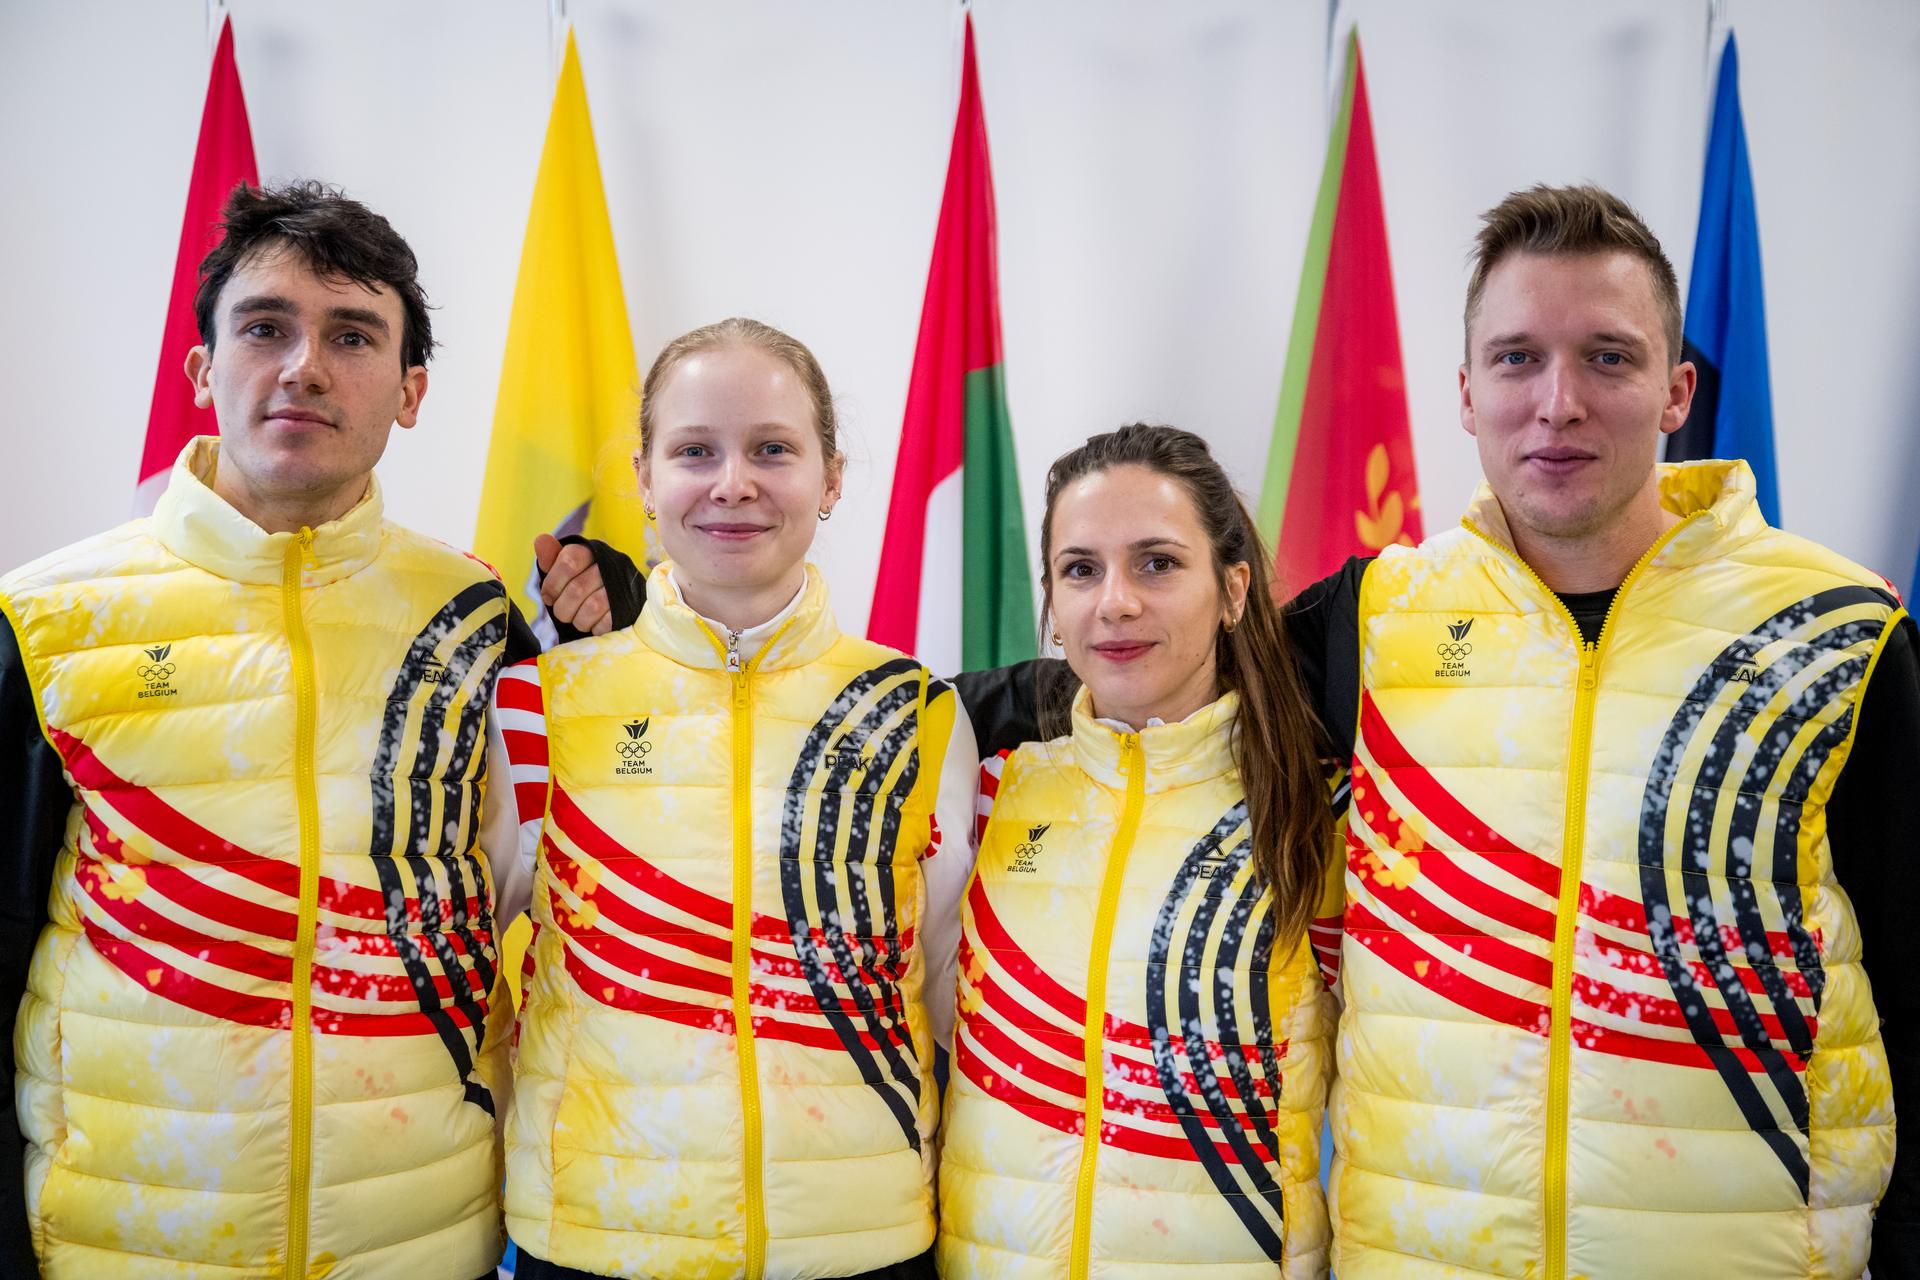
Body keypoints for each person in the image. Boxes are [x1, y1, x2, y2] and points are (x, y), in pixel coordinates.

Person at [546, 185, 1917, 1278]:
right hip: (1427, 1250)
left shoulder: (1833, 632)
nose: (1556, 402)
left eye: (1606, 359)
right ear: (1464, 391)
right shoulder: (1380, 617)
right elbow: (1129, 684)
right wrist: (643, 627)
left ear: (1679, 389)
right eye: (1517, 359)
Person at [0, 181, 537, 1279]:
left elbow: (536, 892)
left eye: (352, 335)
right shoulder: (49, 618)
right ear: (204, 370)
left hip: (421, 1241)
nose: (303, 365)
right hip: (122, 1241)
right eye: (265, 327)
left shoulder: (480, 622)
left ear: (411, 389)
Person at [499, 318, 979, 1280]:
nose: (733, 484)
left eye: (772, 449)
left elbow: (945, 988)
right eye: (693, 452)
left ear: (832, 477)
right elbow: (463, 969)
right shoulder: (545, 700)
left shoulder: (917, 713)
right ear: (642, 476)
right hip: (599, 1242)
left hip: (861, 1246)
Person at [930, 425, 1343, 1277]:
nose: (1114, 602)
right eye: (1081, 569)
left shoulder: (1324, 805)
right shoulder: (985, 783)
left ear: (1233, 591)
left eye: (1156, 562)